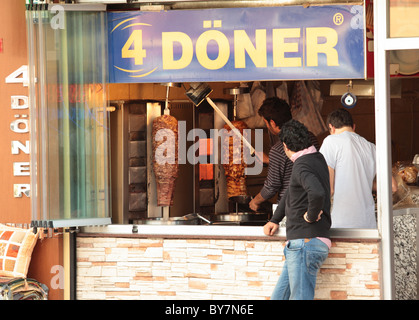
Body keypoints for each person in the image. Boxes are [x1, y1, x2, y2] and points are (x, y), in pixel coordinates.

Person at [264, 119, 331, 300]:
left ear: (285, 146)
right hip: (301, 244)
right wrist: (275, 219)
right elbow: (290, 194)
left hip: (304, 243)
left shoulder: (302, 165)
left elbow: (317, 193)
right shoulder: (316, 158)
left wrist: (310, 215)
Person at [249, 97, 319, 212]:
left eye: (266, 123)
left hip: (291, 207)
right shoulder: (311, 137)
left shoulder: (278, 149)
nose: (267, 126)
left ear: (272, 122)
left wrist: (255, 201)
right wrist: (270, 160)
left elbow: (271, 187)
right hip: (312, 204)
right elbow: (295, 163)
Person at [319, 108, 378, 229]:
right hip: (368, 223)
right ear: (354, 127)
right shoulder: (372, 147)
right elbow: (392, 186)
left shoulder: (331, 141)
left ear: (331, 127)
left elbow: (329, 188)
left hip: (342, 222)